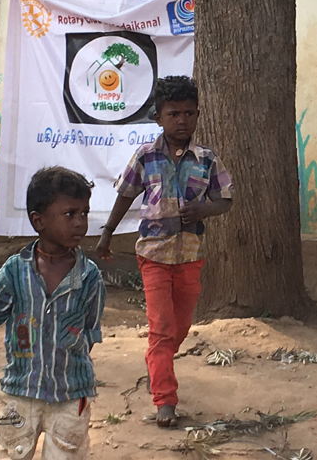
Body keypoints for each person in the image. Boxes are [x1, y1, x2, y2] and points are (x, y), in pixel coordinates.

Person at [96, 75, 234, 428]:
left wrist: (205, 210)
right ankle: (165, 400)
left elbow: (225, 201)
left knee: (180, 328)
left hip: (189, 256)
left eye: (189, 113)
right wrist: (107, 233)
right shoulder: (145, 156)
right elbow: (126, 194)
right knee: (160, 329)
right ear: (159, 117)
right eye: (174, 114)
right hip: (153, 255)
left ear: (198, 115)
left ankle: (159, 362)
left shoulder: (206, 159)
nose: (182, 120)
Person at [0, 167, 105, 460]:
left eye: (84, 213)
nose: (80, 223)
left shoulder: (90, 277)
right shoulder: (15, 271)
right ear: (38, 221)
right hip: (20, 393)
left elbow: (90, 333)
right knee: (8, 454)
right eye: (70, 214)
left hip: (71, 395)